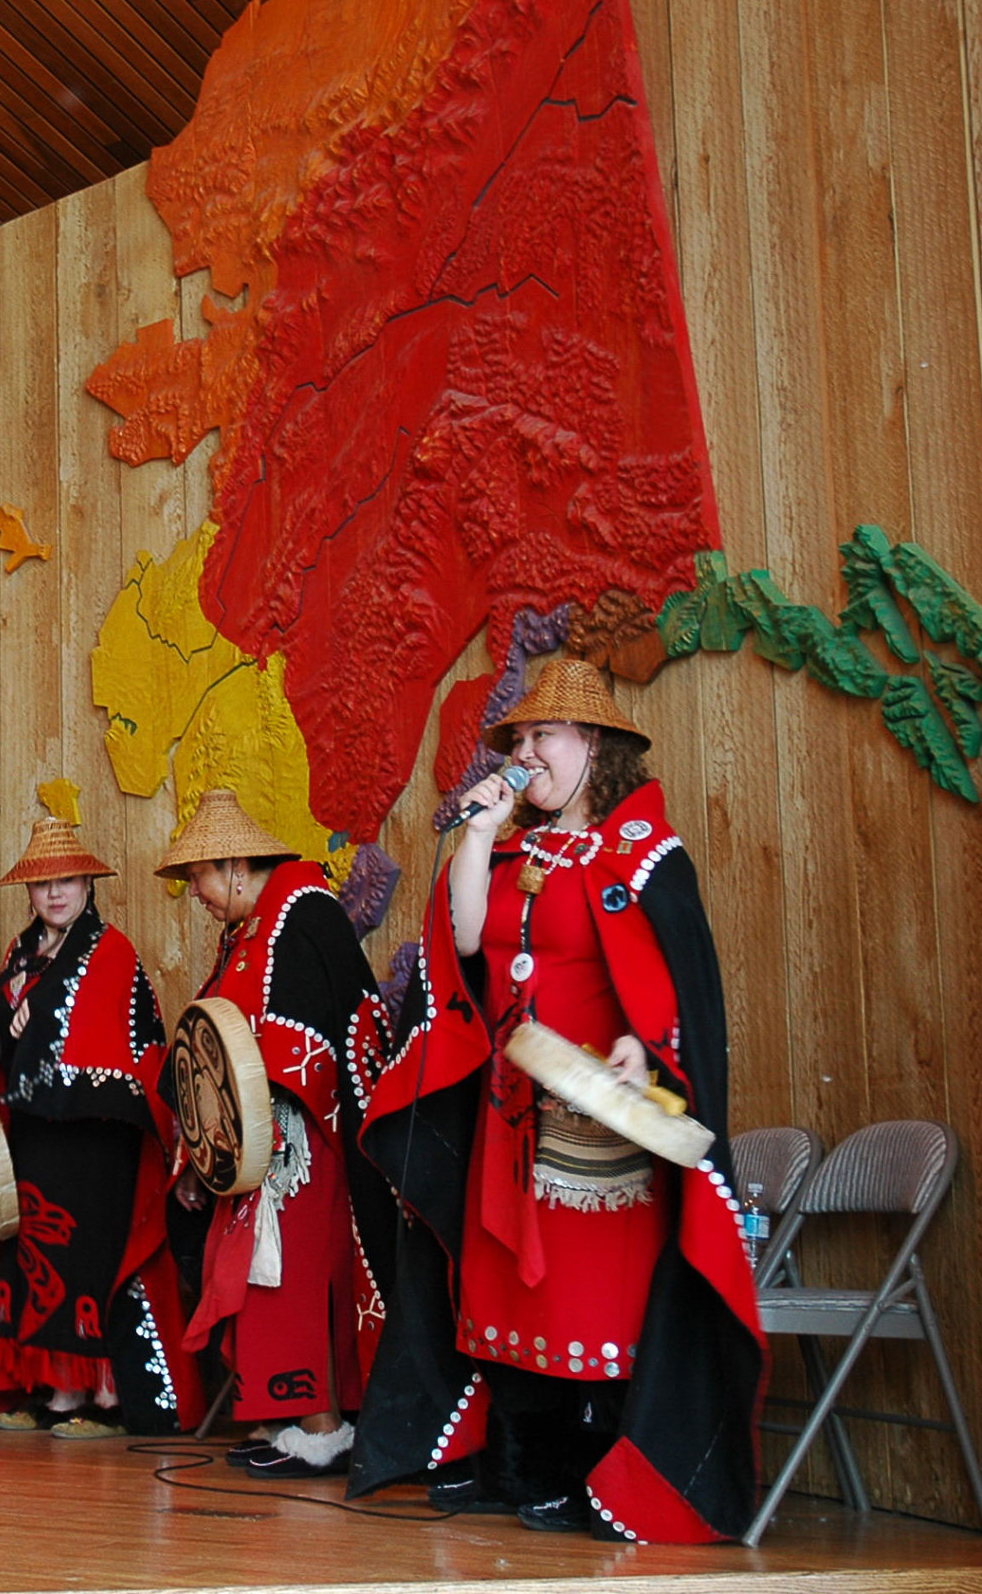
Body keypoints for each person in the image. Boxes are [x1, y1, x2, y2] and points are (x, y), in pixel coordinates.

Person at [348, 658, 762, 1541]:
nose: (527, 753)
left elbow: (682, 989)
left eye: (545, 737)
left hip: (596, 1116)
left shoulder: (644, 855)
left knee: (586, 1298)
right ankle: (515, 1461)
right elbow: (463, 944)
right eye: (520, 739)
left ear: (594, 747)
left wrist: (643, 1047)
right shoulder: (507, 849)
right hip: (509, 1107)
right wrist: (475, 831)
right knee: (505, 1289)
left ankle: (592, 1470)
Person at [0, 817, 202, 1437]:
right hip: (36, 1131)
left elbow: (112, 1045)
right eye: (43, 885)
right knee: (35, 1256)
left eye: (67, 881)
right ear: (29, 893)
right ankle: (49, 1384)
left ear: (89, 884)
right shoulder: (21, 950)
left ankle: (93, 1395)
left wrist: (29, 1020)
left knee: (84, 1262)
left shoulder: (112, 949)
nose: (56, 894)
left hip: (98, 1135)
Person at [158, 789, 376, 1478]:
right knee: (257, 1278)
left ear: (233, 865)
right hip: (256, 1143)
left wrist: (237, 1139)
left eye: (198, 878)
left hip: (304, 1139)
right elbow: (210, 1051)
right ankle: (290, 1420)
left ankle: (323, 1424)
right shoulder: (247, 933)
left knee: (294, 1275)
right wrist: (203, 1154)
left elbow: (306, 1041)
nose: (195, 893)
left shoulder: (304, 913)